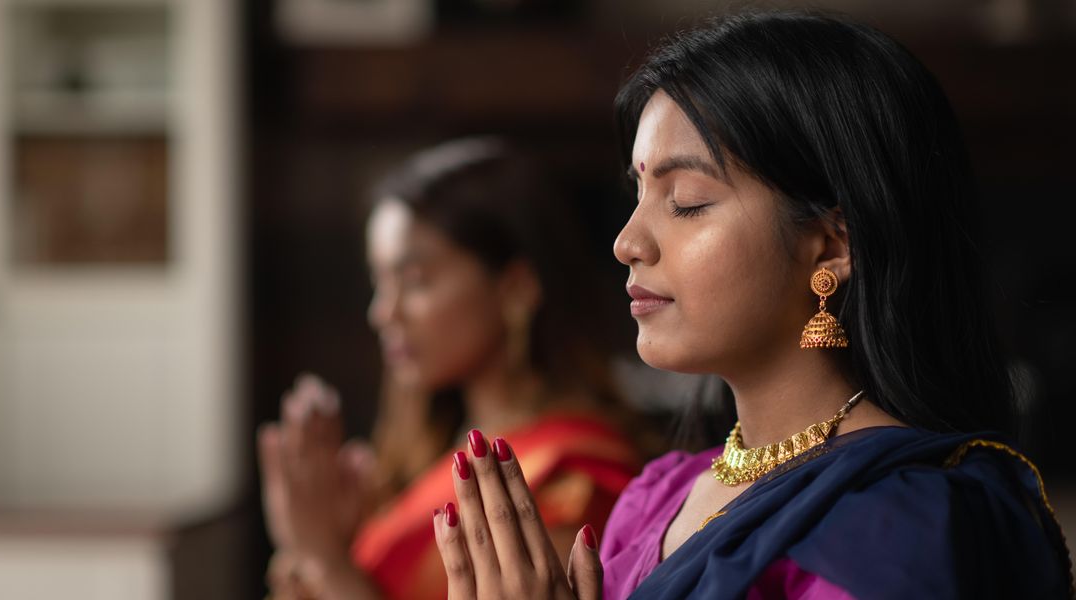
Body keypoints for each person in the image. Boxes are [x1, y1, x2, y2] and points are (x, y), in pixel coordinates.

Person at [430, 12, 1073, 599]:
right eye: (637, 194)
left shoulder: (906, 523)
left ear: (829, 244)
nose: (628, 243)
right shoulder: (656, 498)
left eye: (685, 201)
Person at [258, 138, 642, 600]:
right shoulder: (424, 455)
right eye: (379, 282)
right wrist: (332, 548)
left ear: (516, 287)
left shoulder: (575, 480)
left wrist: (324, 560)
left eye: (415, 281)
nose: (383, 313)